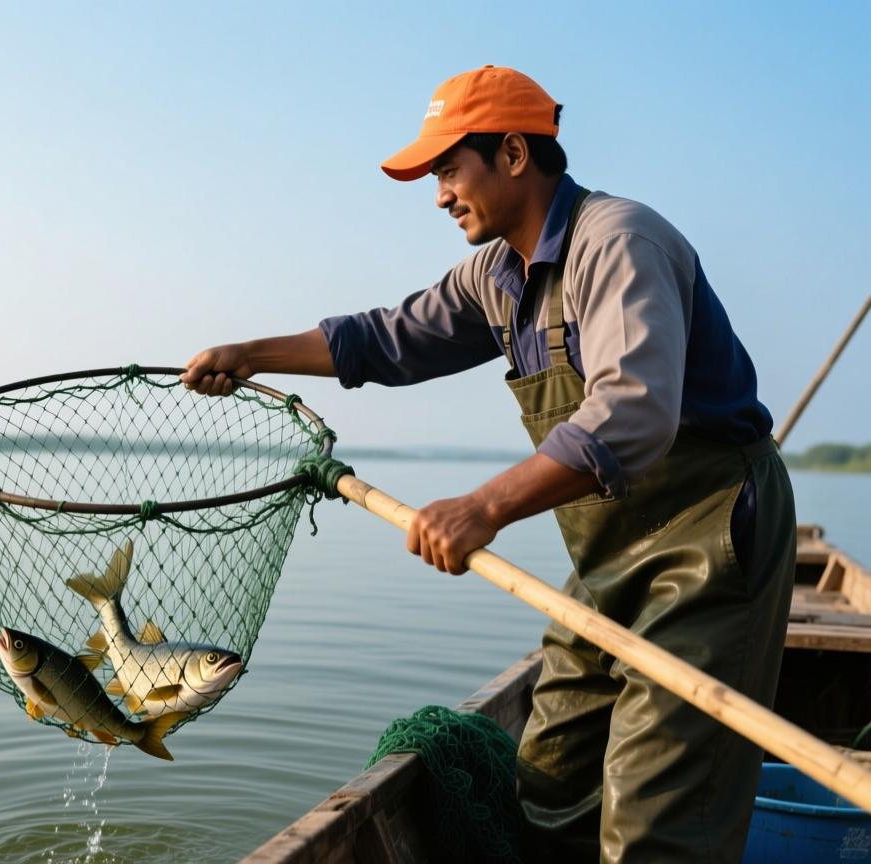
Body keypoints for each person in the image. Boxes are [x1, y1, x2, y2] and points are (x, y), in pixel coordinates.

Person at [181, 64, 796, 863]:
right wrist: (251, 354)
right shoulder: (494, 276)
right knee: (547, 785)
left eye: (447, 169)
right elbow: (385, 339)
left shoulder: (619, 242)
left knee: (658, 826)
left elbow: (633, 414)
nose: (438, 194)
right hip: (610, 560)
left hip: (710, 550)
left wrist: (485, 507)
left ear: (512, 154)